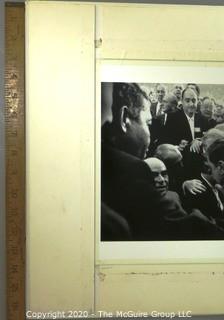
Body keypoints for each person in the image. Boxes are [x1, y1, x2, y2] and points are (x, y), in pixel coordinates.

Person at [101, 82, 224, 240]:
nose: (150, 134)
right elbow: (187, 227)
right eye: (147, 123)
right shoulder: (134, 172)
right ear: (124, 119)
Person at [163, 87, 205, 153]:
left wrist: (199, 140)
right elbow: (166, 143)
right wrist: (177, 147)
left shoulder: (202, 119)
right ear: (182, 101)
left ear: (197, 101)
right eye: (187, 101)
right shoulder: (172, 118)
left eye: (194, 101)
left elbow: (209, 138)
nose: (191, 104)